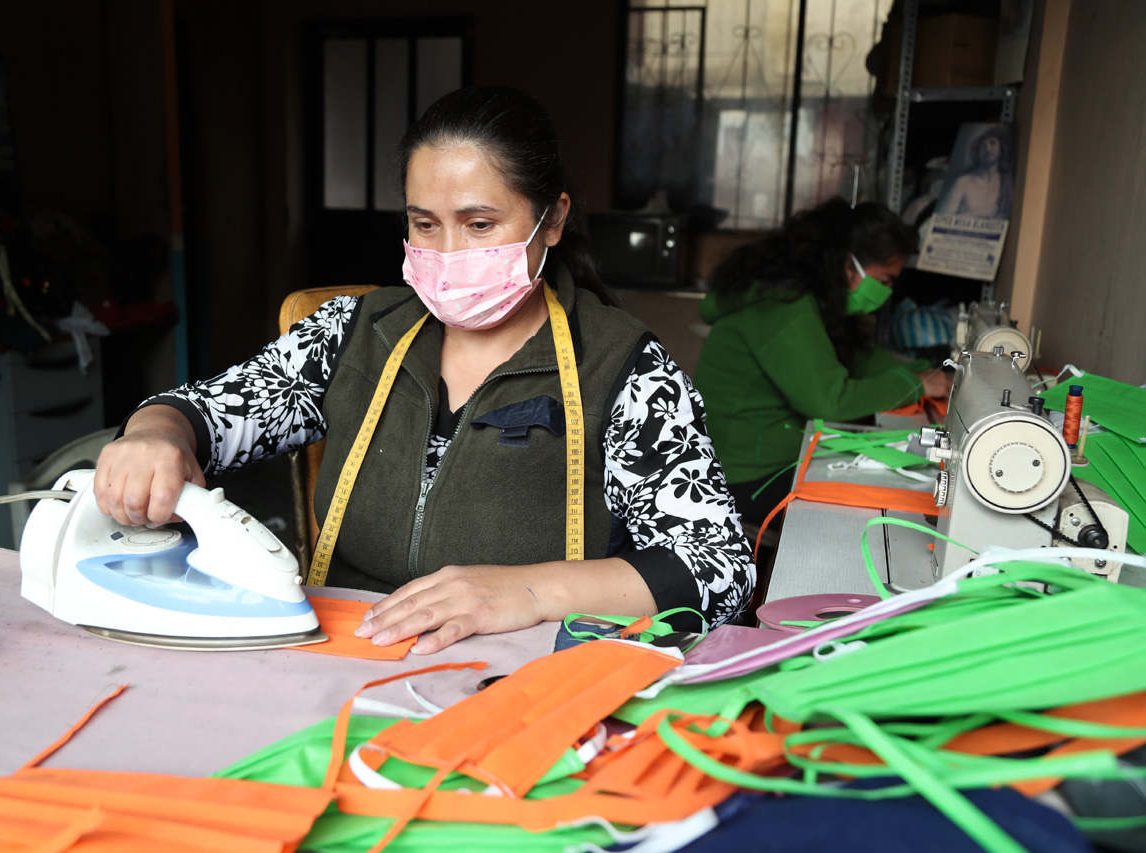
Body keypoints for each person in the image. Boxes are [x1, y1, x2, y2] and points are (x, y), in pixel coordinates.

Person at [95, 86, 755, 654]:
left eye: (479, 224)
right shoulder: (353, 334)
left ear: (551, 221)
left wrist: (528, 588)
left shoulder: (624, 368)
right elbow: (208, 412)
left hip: (518, 678)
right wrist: (158, 431)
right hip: (345, 654)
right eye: (425, 224)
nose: (448, 252)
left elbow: (716, 565)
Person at [692, 198, 952, 528]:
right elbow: (830, 400)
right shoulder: (783, 309)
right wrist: (914, 385)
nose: (886, 292)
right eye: (884, 280)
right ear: (848, 264)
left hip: (772, 459)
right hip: (744, 478)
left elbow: (858, 360)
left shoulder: (810, 302)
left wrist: (923, 372)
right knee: (875, 517)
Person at [937, 125, 1013, 219]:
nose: (988, 149)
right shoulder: (963, 182)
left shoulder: (1007, 182)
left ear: (1002, 148)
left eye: (992, 143)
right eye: (983, 146)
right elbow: (942, 219)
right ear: (977, 152)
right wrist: (976, 213)